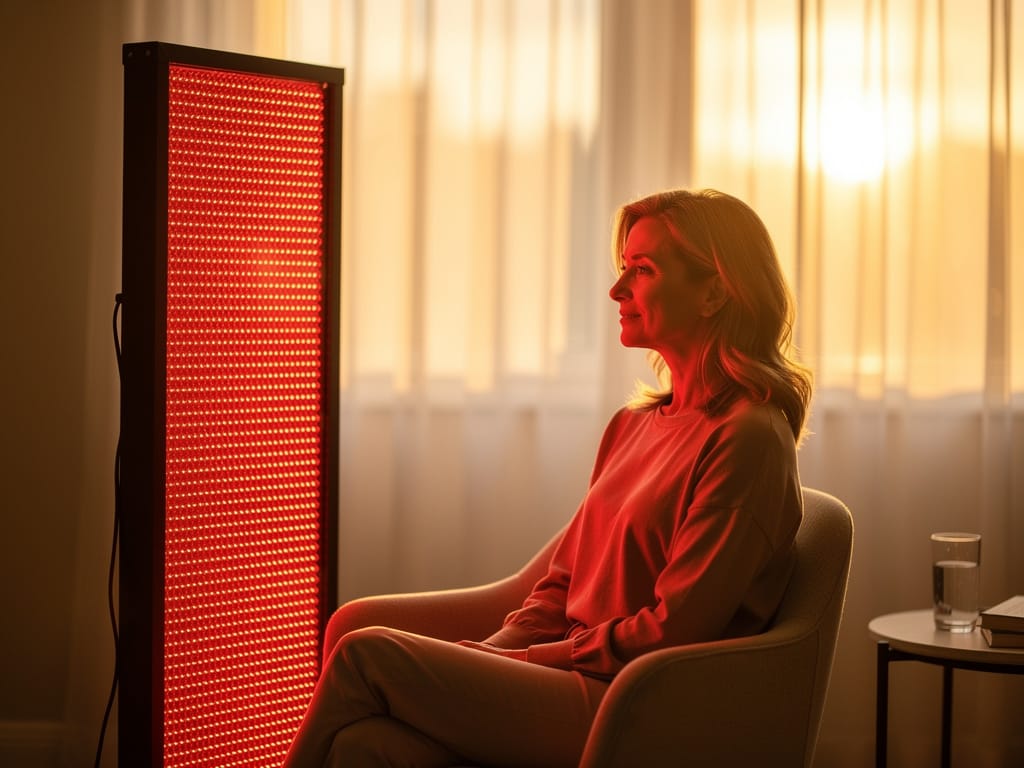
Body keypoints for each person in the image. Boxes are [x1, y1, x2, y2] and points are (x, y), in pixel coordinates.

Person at [282, 188, 814, 767]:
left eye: (643, 270)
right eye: (623, 269)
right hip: (571, 679)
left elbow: (675, 631)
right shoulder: (632, 426)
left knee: (366, 654)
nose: (617, 290)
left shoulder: (749, 438)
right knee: (365, 745)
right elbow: (561, 586)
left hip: (633, 702)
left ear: (714, 291)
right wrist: (487, 657)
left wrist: (538, 660)